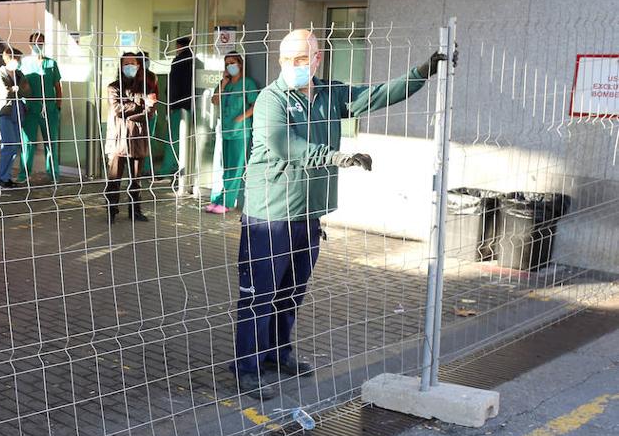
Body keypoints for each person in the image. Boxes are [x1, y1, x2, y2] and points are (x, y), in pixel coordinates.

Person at [233, 28, 450, 400]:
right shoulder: (272, 99)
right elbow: (286, 144)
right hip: (269, 216)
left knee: (291, 292)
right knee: (260, 294)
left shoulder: (329, 94)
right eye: (288, 59)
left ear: (317, 59)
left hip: (307, 214)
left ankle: (277, 353)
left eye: (303, 59)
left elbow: (375, 95)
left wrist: (421, 72)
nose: (295, 66)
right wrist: (335, 157)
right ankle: (248, 367)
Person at [207, 51, 260, 214]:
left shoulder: (248, 83)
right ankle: (219, 199)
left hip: (240, 132)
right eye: (227, 64)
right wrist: (223, 83)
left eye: (233, 63)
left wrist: (241, 117)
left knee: (235, 169)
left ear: (240, 64)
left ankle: (228, 203)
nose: (230, 66)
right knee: (225, 168)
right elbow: (214, 101)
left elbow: (256, 104)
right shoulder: (226, 84)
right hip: (226, 131)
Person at [103, 51, 153, 224]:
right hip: (119, 139)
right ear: (121, 66)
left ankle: (135, 210)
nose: (130, 66)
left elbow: (150, 112)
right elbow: (118, 109)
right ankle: (111, 210)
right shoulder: (113, 87)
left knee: (136, 179)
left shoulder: (146, 86)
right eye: (126, 63)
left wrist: (133, 110)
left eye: (133, 63)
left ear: (139, 65)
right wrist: (141, 105)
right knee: (115, 179)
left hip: (138, 139)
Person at [19, 32, 63, 183]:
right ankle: (24, 175)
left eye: (41, 42)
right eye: (36, 42)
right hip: (30, 109)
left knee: (50, 143)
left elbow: (58, 87)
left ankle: (53, 174)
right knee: (28, 143)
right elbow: (20, 85)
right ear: (30, 44)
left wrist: (57, 106)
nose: (39, 44)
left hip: (49, 110)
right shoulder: (24, 63)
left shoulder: (51, 63)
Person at [0, 45, 30, 188]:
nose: (18, 61)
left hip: (18, 112)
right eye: (17, 58)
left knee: (14, 147)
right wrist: (16, 90)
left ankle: (6, 176)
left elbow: (27, 91)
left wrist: (16, 89)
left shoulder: (19, 74)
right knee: (9, 145)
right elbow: (3, 92)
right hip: (4, 112)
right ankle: (2, 178)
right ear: (8, 58)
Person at [164, 37, 195, 185]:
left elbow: (173, 85)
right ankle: (184, 167)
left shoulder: (179, 61)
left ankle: (169, 168)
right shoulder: (195, 60)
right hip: (192, 104)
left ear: (179, 46)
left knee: (174, 138)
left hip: (178, 104)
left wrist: (170, 104)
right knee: (187, 138)